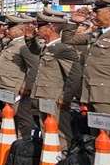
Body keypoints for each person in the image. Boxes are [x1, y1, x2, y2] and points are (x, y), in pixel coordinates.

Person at [32, 11, 82, 146]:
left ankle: (63, 157)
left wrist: (66, 97)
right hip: (44, 95)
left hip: (56, 97)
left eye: (40, 26)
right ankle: (48, 158)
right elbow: (33, 50)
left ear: (51, 28)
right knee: (46, 130)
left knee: (60, 132)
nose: (37, 29)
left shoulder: (62, 48)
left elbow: (74, 75)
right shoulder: (48, 47)